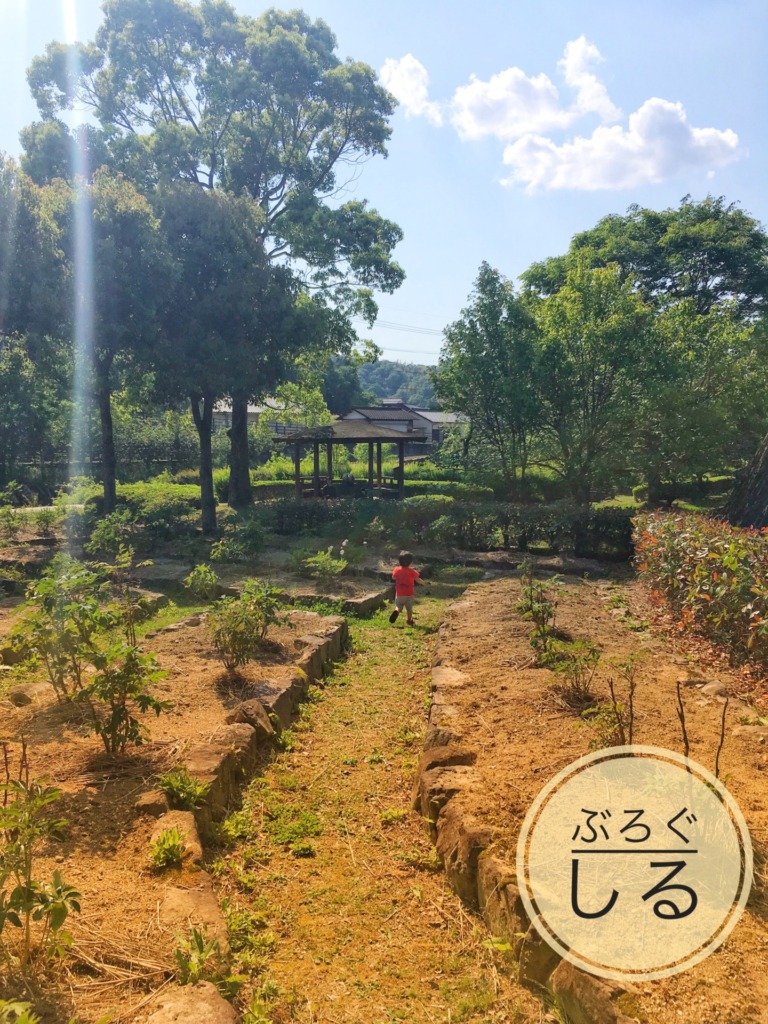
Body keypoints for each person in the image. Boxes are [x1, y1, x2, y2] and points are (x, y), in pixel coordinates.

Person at [389, 550, 424, 625]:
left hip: (399, 594)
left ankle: (396, 611)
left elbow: (393, 577)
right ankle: (409, 620)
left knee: (399, 605)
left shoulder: (397, 569)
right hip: (409, 594)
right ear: (411, 562)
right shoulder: (412, 571)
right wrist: (423, 583)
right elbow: (418, 580)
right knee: (409, 609)